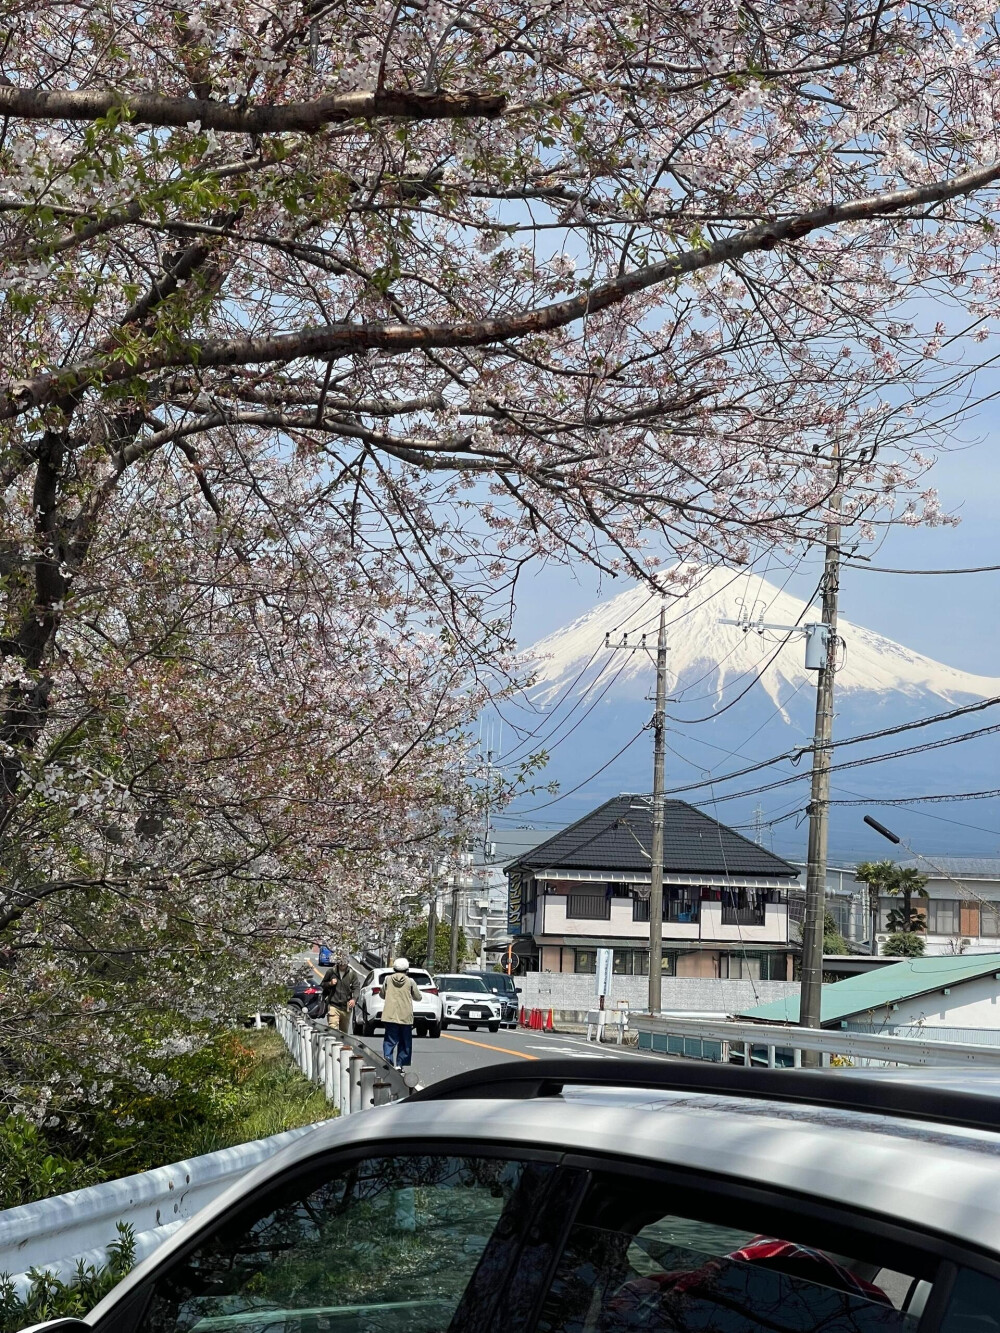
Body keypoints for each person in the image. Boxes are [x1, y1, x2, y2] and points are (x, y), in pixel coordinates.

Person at [381, 957, 422, 1071]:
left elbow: (382, 994)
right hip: (405, 1016)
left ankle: (388, 1059)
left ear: (394, 968)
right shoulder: (410, 981)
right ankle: (400, 1064)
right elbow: (418, 997)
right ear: (407, 970)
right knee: (405, 1041)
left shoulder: (387, 979)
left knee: (390, 1039)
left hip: (390, 1015)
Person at [321, 955, 359, 1032]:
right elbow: (322, 984)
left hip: (346, 1007)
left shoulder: (352, 973)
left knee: (343, 1033)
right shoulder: (331, 972)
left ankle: (342, 1044)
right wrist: (330, 983)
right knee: (333, 1030)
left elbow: (356, 988)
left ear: (347, 963)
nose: (342, 965)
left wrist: (354, 999)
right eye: (340, 963)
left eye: (344, 963)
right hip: (333, 1005)